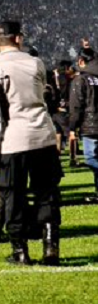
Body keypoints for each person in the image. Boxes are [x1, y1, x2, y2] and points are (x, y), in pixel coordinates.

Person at [0, 21, 62, 265]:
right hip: (43, 136)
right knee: (46, 192)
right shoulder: (36, 63)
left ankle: (20, 251)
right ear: (18, 38)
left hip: (14, 140)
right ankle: (50, 247)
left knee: (13, 195)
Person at [69, 48, 98, 203]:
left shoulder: (80, 80)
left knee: (91, 158)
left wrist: (72, 127)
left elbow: (76, 106)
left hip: (90, 126)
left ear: (81, 61)